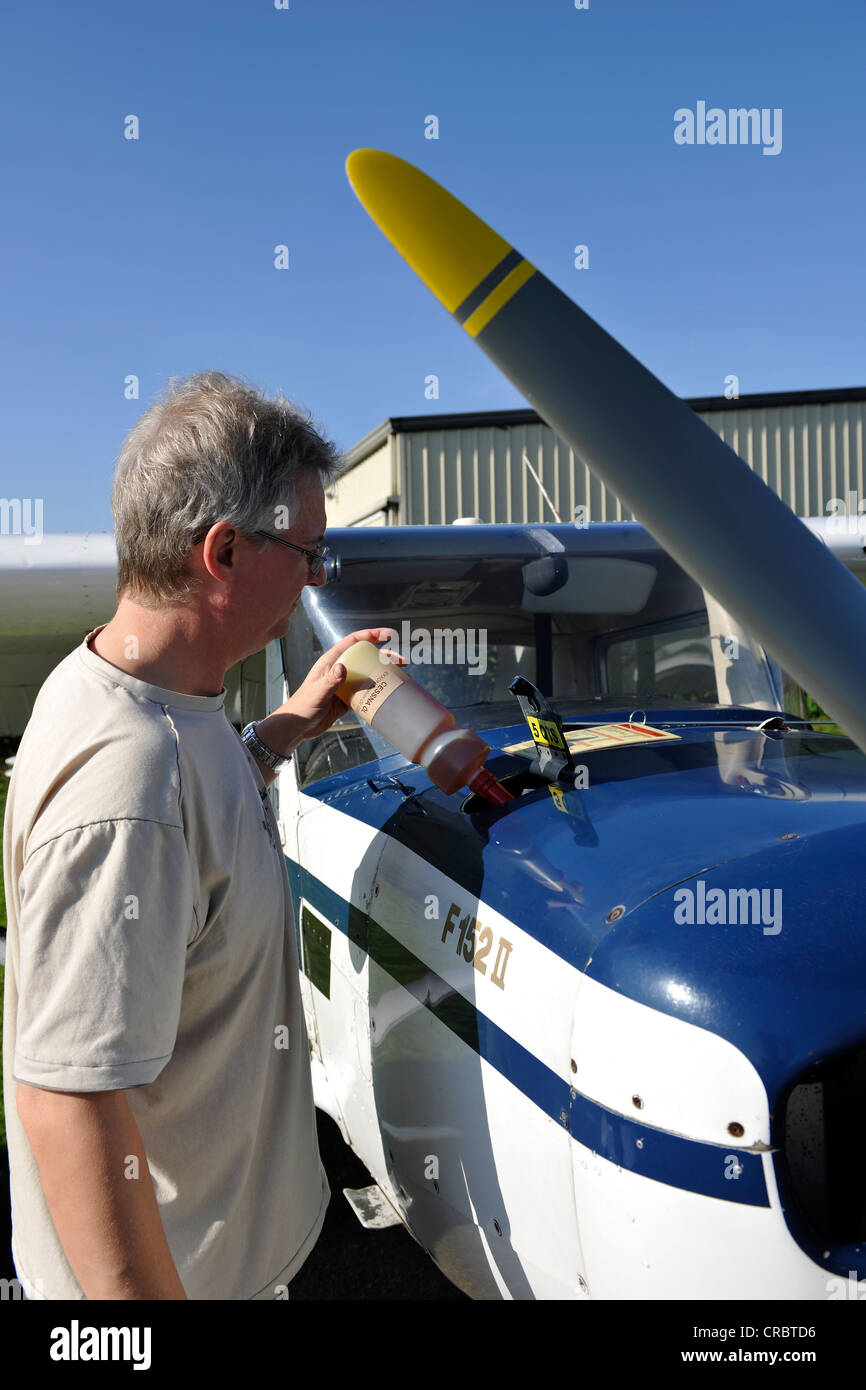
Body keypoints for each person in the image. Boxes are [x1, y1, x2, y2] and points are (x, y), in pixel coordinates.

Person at [2, 371, 391, 1299]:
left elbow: (199, 808)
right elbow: (69, 1099)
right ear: (223, 551)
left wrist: (290, 723)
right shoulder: (127, 790)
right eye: (309, 552)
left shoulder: (153, 691)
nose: (315, 578)